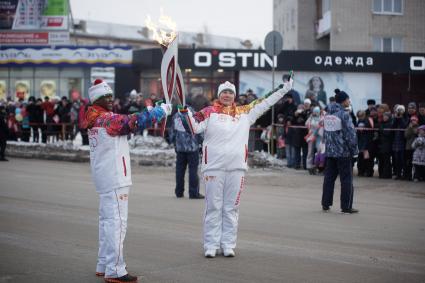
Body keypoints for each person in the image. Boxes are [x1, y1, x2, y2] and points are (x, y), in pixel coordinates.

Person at [181, 80, 293, 258]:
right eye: (224, 92)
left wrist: (285, 88)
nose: (227, 95)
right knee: (213, 207)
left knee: (231, 207)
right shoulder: (209, 112)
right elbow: (194, 127)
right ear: (219, 95)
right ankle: (211, 244)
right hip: (213, 168)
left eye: (230, 92)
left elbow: (266, 101)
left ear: (234, 96)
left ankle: (228, 244)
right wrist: (185, 113)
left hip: (236, 167)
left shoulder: (245, 112)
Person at [85, 79, 172, 283]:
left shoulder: (95, 118)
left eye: (109, 96)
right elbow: (133, 122)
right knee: (116, 223)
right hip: (115, 176)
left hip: (104, 175)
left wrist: (152, 109)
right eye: (104, 97)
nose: (109, 99)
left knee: (107, 221)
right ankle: (115, 269)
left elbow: (128, 121)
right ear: (96, 99)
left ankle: (104, 264)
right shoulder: (106, 119)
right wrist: (161, 112)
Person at [321, 89, 359, 214]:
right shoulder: (344, 114)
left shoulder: (327, 114)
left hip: (330, 152)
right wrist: (354, 150)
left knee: (329, 179)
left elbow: (326, 133)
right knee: (346, 180)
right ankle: (346, 206)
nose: (349, 101)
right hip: (343, 153)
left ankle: (325, 204)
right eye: (348, 99)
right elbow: (350, 134)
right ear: (343, 101)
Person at [169, 104, 204, 199]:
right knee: (193, 170)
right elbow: (199, 131)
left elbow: (172, 131)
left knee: (179, 170)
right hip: (192, 147)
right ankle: (193, 193)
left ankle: (179, 192)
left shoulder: (176, 116)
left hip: (180, 147)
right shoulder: (193, 115)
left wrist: (173, 142)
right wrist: (201, 142)